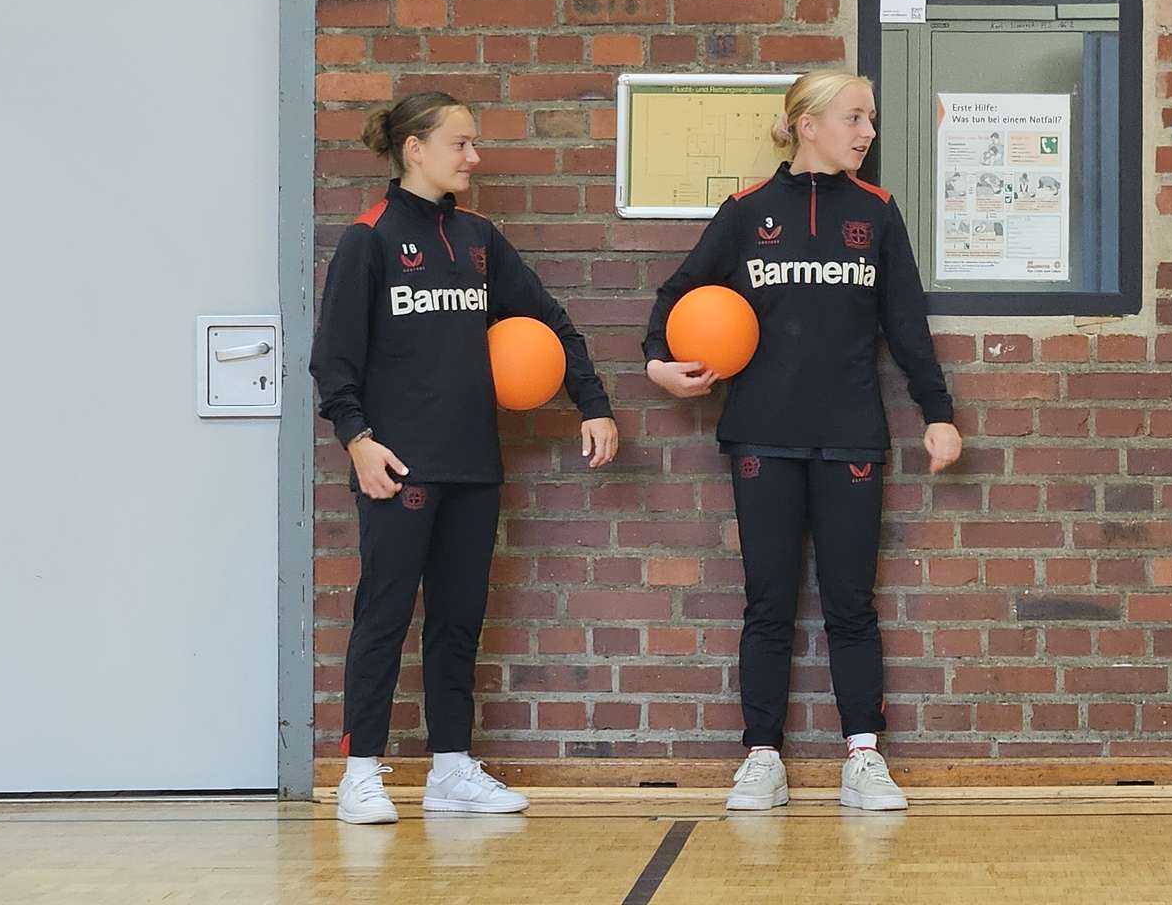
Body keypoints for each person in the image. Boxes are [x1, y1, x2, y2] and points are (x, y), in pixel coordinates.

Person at [643, 71, 962, 812]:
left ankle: (863, 757)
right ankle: (762, 757)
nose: (867, 133)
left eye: (872, 119)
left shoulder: (877, 214)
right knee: (768, 602)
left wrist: (937, 413)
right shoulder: (747, 213)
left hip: (852, 434)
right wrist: (660, 363)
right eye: (855, 117)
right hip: (762, 434)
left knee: (852, 603)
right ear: (807, 124)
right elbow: (675, 296)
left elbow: (907, 327)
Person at [311, 91, 620, 825]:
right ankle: (361, 772)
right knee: (384, 614)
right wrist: (358, 441)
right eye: (461, 144)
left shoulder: (480, 239)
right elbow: (333, 361)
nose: (473, 158)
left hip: (474, 464)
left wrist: (595, 403)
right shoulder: (371, 238)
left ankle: (451, 766)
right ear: (414, 148)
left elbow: (549, 320)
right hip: (398, 467)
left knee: (458, 618)